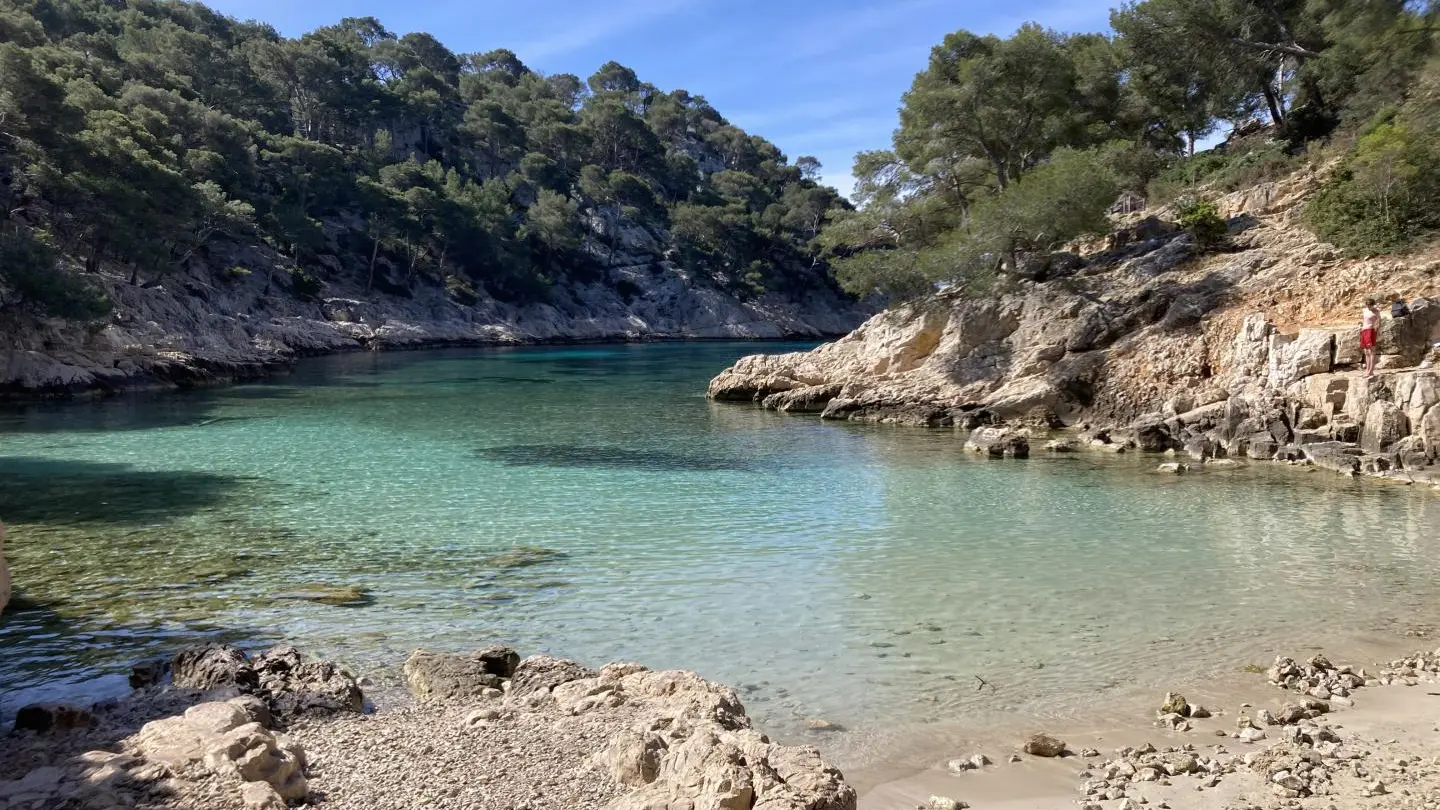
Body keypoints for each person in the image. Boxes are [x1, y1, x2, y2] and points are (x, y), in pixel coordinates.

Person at [1362, 297, 1381, 377]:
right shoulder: (1365, 310)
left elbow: (1379, 320)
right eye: (1367, 305)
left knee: (1371, 350)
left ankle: (1371, 370)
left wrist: (1377, 328)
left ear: (1373, 305)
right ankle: (1367, 369)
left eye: (1370, 305)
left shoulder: (1376, 311)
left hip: (1371, 330)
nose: (1368, 306)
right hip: (1364, 330)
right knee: (1366, 351)